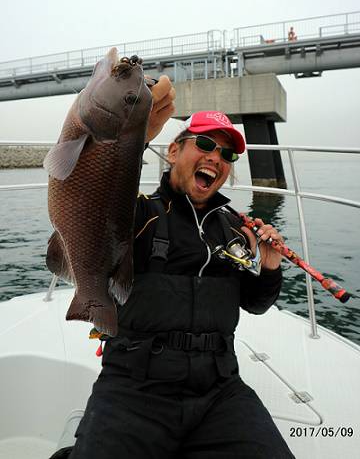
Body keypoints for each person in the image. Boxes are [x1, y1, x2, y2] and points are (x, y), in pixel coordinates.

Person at [52, 90, 295, 458]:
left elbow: (256, 302)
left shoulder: (234, 229)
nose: (216, 157)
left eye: (227, 154)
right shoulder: (137, 213)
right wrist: (134, 138)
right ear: (174, 151)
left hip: (220, 389)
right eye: (204, 144)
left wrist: (271, 263)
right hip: (134, 387)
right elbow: (89, 196)